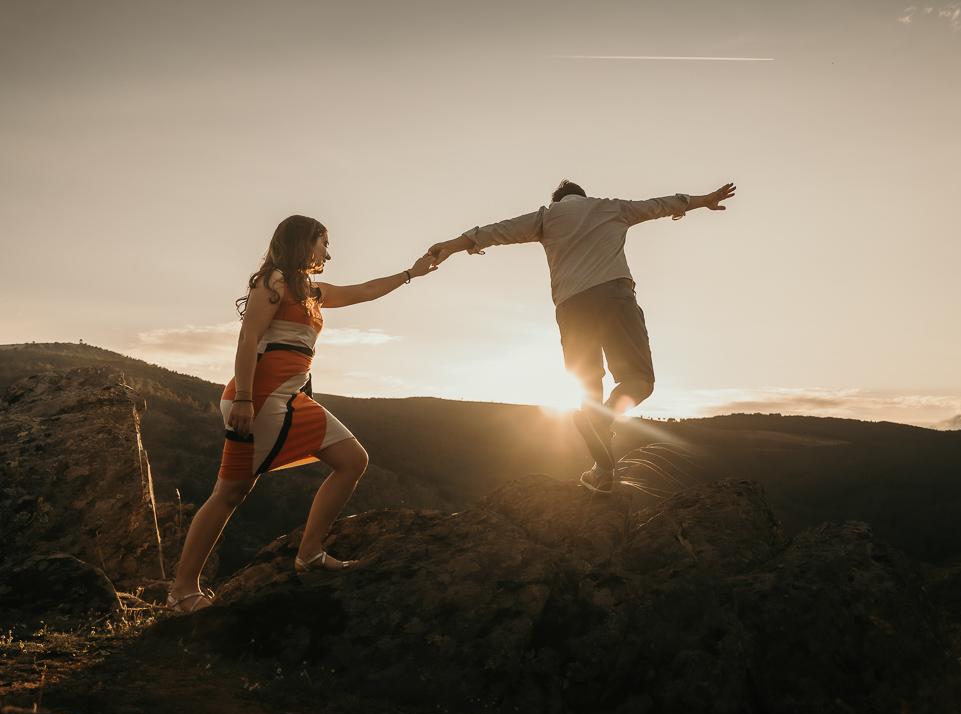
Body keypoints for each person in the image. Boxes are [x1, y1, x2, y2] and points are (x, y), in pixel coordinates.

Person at [166, 215, 437, 612]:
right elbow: (248, 339)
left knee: (352, 460)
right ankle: (181, 592)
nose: (328, 253)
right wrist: (244, 399)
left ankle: (309, 553)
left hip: (291, 399)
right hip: (260, 397)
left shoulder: (310, 290)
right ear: (304, 243)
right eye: (324, 243)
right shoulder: (272, 281)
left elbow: (364, 290)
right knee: (229, 494)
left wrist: (412, 273)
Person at [426, 179, 736, 493]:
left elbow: (498, 230)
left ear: (558, 201)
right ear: (583, 196)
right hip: (615, 297)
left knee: (588, 385)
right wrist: (704, 200)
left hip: (571, 306)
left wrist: (450, 245)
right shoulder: (612, 208)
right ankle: (602, 429)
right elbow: (660, 205)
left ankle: (602, 471)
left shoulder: (546, 217)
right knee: (638, 380)